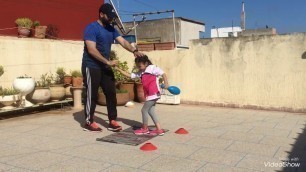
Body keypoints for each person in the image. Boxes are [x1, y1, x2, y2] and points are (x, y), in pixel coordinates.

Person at [82, 3, 144, 132]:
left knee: (111, 92)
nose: (111, 19)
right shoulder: (91, 28)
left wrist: (134, 50)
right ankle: (89, 121)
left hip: (105, 66)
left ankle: (112, 120)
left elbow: (123, 42)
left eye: (112, 17)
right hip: (91, 66)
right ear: (101, 14)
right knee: (91, 94)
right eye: (109, 16)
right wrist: (107, 61)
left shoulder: (111, 29)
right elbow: (91, 50)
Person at [115, 55, 169, 136]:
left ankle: (145, 129)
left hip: (154, 93)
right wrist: (118, 69)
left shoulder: (152, 68)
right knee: (151, 110)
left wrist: (166, 83)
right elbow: (130, 75)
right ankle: (159, 129)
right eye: (137, 66)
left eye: (140, 66)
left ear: (146, 63)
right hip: (151, 94)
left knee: (144, 110)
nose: (139, 68)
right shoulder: (141, 72)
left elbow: (163, 74)